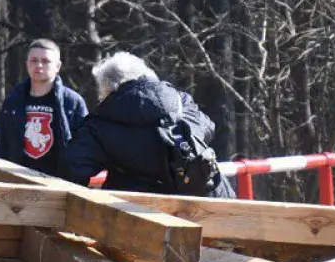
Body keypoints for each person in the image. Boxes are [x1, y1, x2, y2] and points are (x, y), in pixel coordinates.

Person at [60, 51, 234, 198]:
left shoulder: (101, 122)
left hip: (143, 216)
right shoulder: (181, 101)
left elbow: (72, 167)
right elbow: (208, 128)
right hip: (210, 199)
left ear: (108, 88)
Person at [0, 39, 89, 176]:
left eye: (45, 61)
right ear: (27, 64)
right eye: (34, 60)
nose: (39, 65)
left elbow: (84, 146)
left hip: (59, 182)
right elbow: (2, 147)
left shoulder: (73, 102)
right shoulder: (12, 103)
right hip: (18, 181)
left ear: (58, 66)